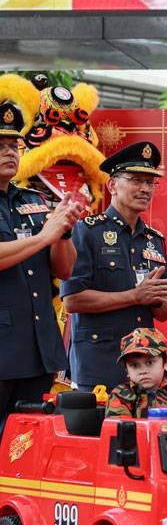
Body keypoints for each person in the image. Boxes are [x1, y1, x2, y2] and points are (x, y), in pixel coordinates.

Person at [62, 141, 167, 392]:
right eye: (136, 180)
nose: (145, 188)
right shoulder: (87, 231)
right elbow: (72, 300)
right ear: (113, 185)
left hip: (143, 364)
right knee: (97, 431)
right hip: (99, 362)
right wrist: (135, 295)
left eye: (150, 182)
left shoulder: (154, 239)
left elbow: (163, 313)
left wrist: (157, 297)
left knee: (141, 431)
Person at [0, 101, 83, 430]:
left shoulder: (32, 200)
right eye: (0, 145)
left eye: (13, 145)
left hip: (37, 347)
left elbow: (64, 271)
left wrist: (62, 232)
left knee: (26, 443)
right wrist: (43, 236)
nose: (10, 152)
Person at [105, 327, 167, 418]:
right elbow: (120, 430)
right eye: (135, 365)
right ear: (127, 370)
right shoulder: (120, 395)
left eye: (150, 363)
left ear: (166, 363)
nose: (143, 371)